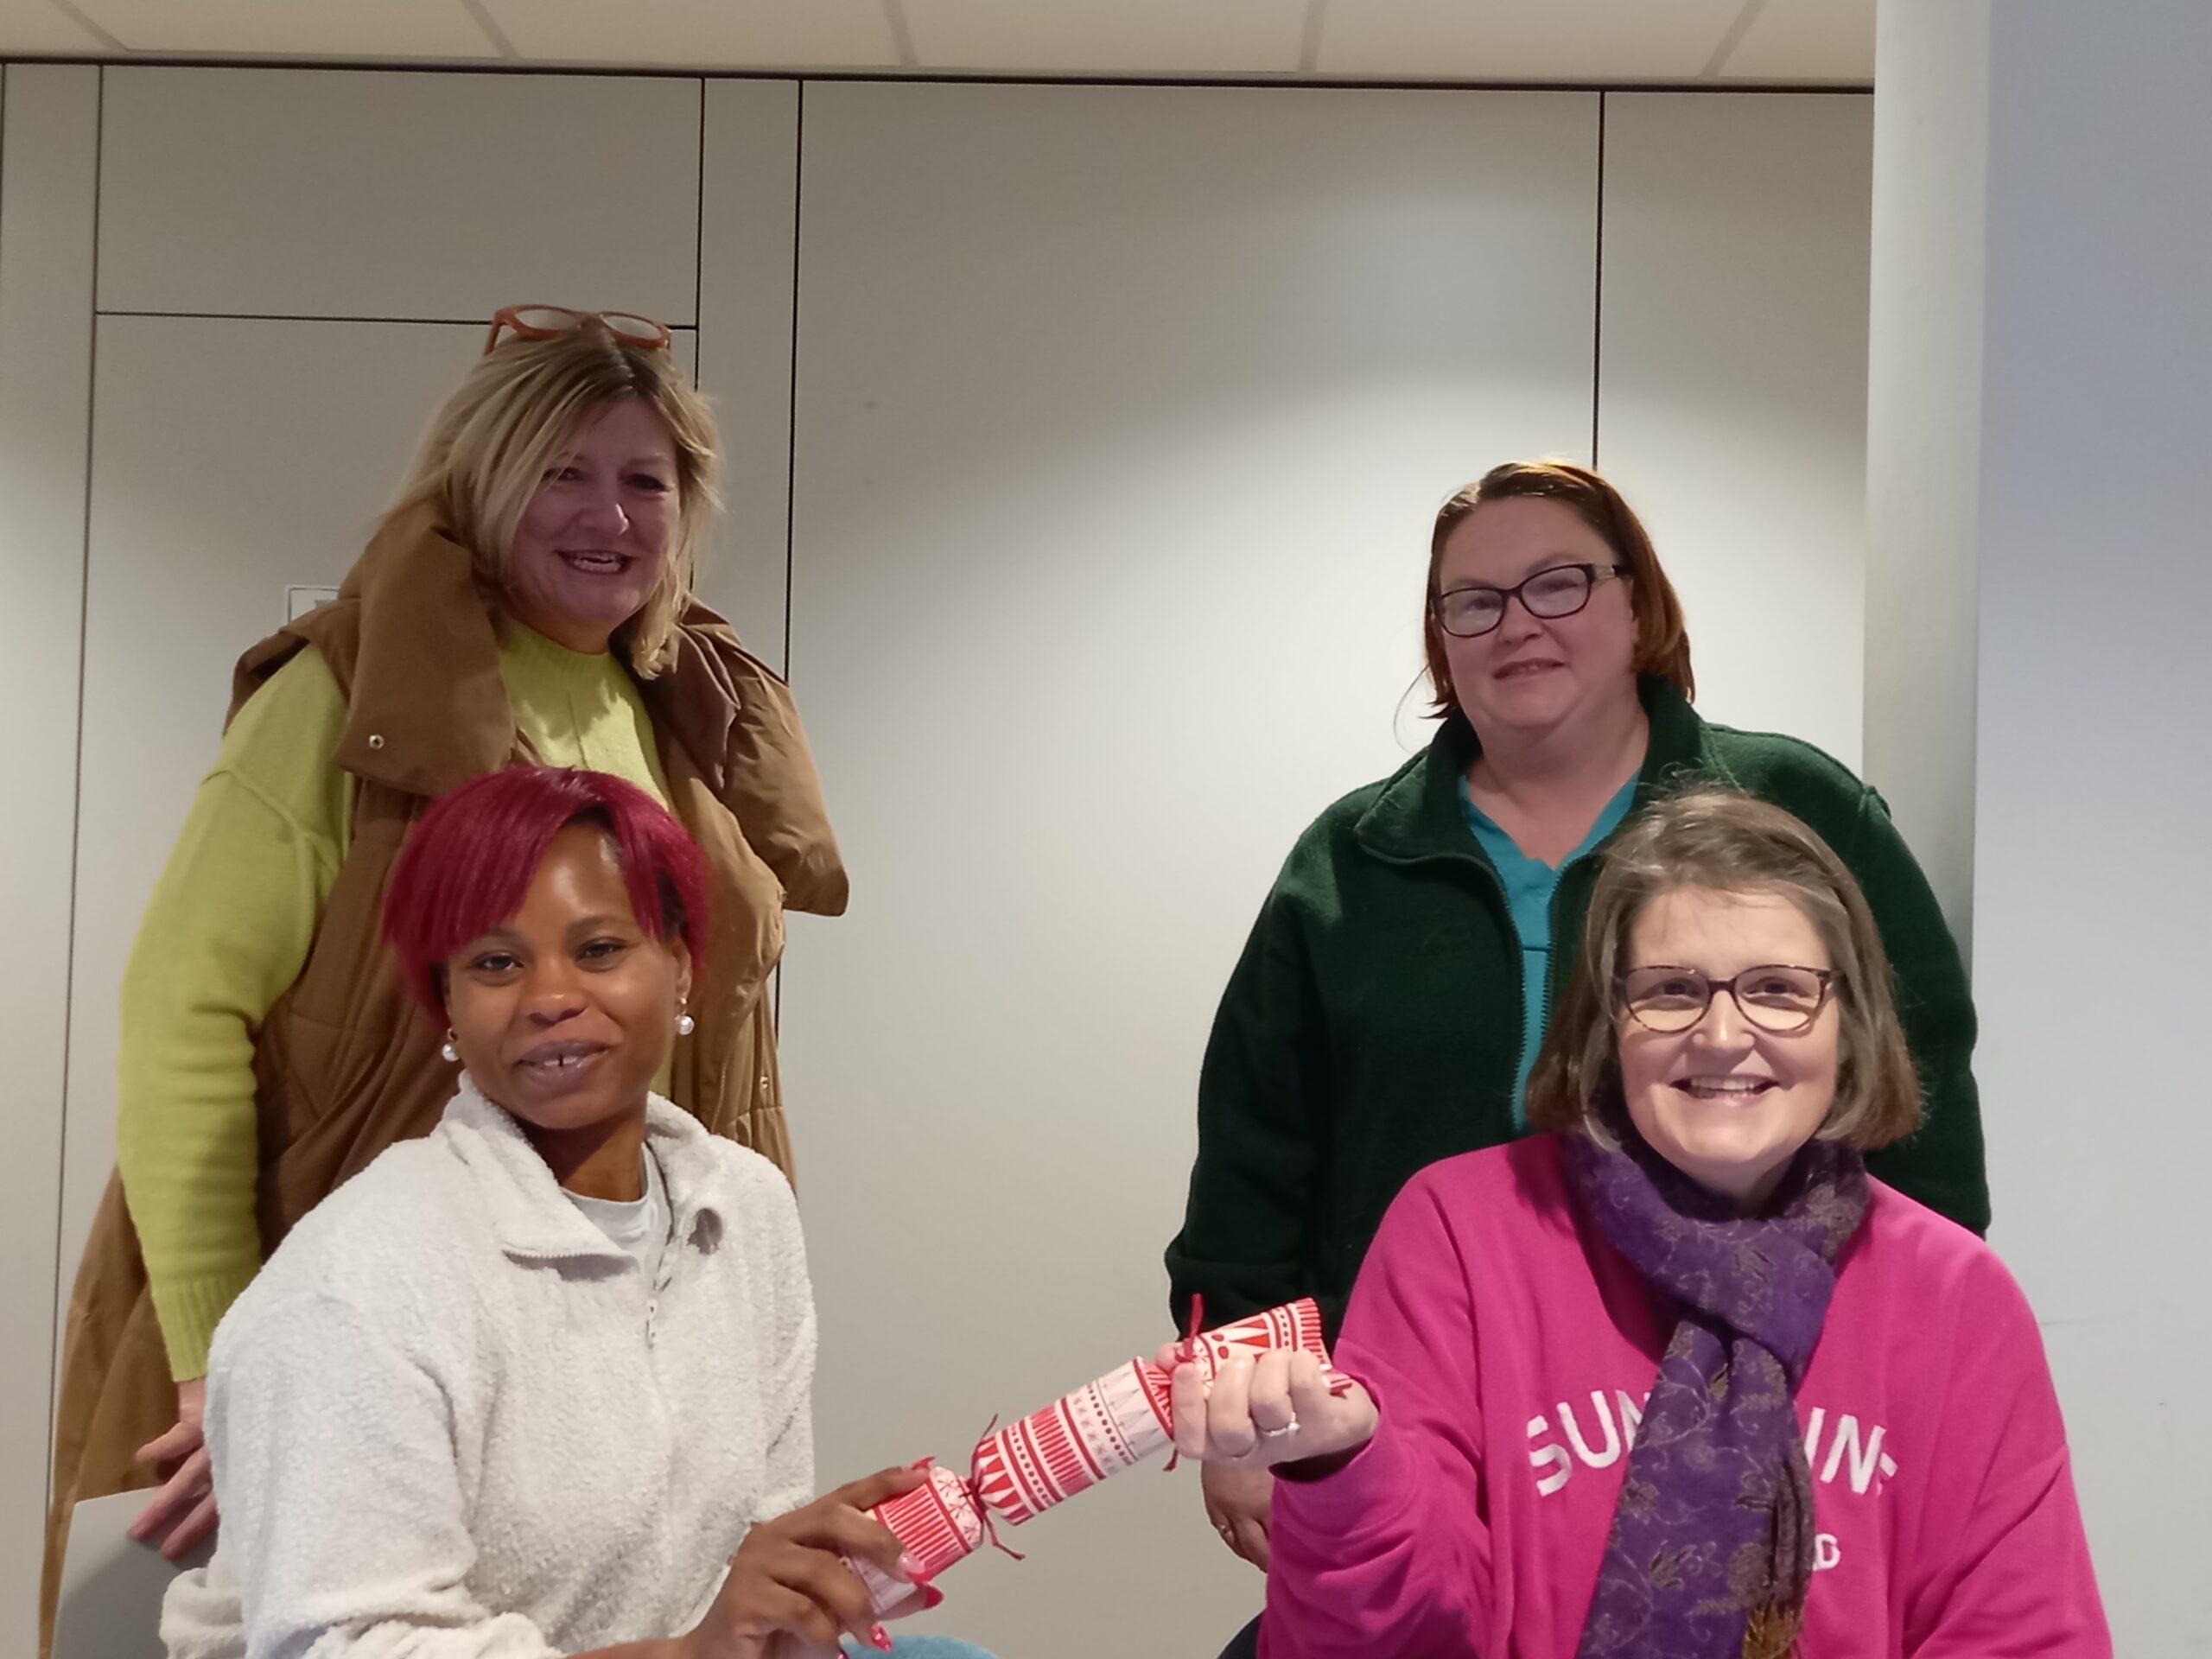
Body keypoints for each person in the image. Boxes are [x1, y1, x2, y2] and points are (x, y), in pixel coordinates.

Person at [46, 307, 848, 1649]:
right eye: (561, 473)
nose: (609, 515)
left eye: (645, 481)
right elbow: (183, 1010)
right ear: (480, 483)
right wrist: (218, 1355)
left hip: (594, 1313)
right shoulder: (346, 694)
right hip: (365, 1299)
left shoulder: (676, 703)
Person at [1164, 459, 1988, 1577]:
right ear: (1440, 638)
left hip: (1750, 1382)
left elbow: (1916, 1099)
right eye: (1475, 601)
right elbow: (1253, 1168)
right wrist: (1241, 1410)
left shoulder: (1794, 807)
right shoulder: (1349, 864)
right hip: (1411, 1397)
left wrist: (1921, 1361)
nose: (1517, 625)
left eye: (1559, 583)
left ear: (1637, 603)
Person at [1162, 791, 2108, 1658]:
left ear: (1848, 1024)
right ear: (1605, 1024)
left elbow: (2022, 1636)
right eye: (1669, 990)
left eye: (1778, 988)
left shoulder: (1953, 1296)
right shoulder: (1460, 1232)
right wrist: (1341, 1467)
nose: (1724, 1035)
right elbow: (1378, 1638)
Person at [162, 766, 988, 1659]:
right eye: (497, 962)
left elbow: (751, 1540)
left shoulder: (744, 1211)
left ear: (680, 967)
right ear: (446, 1001)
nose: (551, 996)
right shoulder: (358, 1280)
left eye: (598, 949)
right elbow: (344, 1645)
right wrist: (687, 1653)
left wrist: (801, 1590)